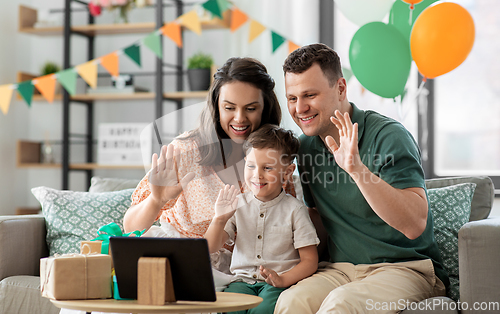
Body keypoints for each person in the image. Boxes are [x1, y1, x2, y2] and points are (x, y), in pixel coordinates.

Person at [274, 43, 449, 314]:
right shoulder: (306, 147)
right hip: (341, 269)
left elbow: (415, 224)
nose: (300, 108)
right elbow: (317, 218)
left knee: (341, 304)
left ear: (341, 88)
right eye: (292, 98)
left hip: (405, 268)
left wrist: (356, 169)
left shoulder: (389, 136)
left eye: (309, 95)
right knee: (290, 302)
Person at [123, 57, 296, 272]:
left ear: (265, 109)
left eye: (250, 108)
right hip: (178, 260)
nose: (239, 118)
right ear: (216, 107)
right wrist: (157, 200)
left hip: (239, 272)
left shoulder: (274, 157)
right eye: (229, 108)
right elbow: (130, 228)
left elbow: (288, 227)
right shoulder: (186, 151)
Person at [204, 124, 319, 314]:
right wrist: (219, 219)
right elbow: (210, 247)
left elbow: (310, 261)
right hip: (241, 281)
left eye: (267, 168)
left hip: (276, 283)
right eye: (251, 166)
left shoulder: (295, 209)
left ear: (288, 172)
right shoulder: (237, 204)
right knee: (231, 310)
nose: (257, 175)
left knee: (263, 310)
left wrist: (282, 280)